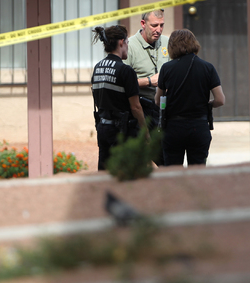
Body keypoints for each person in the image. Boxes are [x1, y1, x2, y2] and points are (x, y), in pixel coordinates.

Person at [155, 29, 225, 166]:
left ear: (172, 46)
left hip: (173, 127)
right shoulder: (208, 67)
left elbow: (158, 100)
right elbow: (220, 99)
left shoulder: (166, 68)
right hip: (199, 127)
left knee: (173, 171)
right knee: (198, 171)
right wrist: (207, 104)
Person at [91, 25, 147, 170]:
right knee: (125, 174)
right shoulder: (125, 70)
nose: (128, 46)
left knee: (104, 173)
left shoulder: (98, 68)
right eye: (127, 42)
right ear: (121, 42)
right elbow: (136, 107)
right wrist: (145, 132)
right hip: (121, 133)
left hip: (103, 128)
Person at [123, 9, 170, 164]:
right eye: (154, 25)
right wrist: (149, 81)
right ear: (143, 24)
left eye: (162, 25)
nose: (159, 30)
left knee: (167, 158)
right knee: (143, 158)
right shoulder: (130, 46)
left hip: (165, 108)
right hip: (142, 108)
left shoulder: (167, 42)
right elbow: (122, 82)